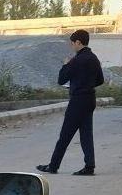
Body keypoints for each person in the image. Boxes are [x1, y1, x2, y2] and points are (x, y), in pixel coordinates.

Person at [36, 30, 106, 177]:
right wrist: (86, 84)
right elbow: (100, 80)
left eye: (73, 43)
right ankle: (89, 166)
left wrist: (66, 65)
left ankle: (53, 166)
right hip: (89, 99)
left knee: (65, 135)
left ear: (78, 42)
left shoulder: (76, 60)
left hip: (77, 101)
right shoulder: (94, 58)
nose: (72, 46)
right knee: (86, 134)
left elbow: (61, 79)